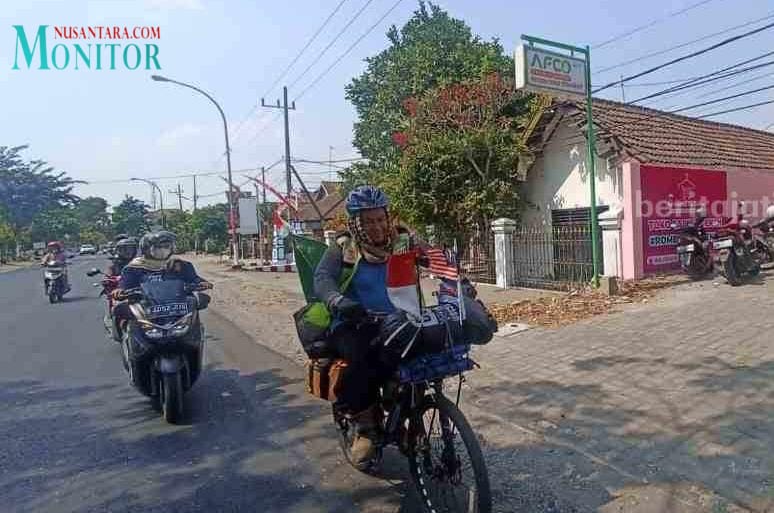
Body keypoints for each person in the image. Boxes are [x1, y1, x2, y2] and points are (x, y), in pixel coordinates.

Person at [313, 185, 425, 466]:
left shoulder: (402, 241)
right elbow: (322, 279)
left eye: (380, 219)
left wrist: (456, 280)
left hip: (398, 320)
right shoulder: (344, 248)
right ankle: (364, 426)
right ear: (356, 223)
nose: (376, 226)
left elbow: (432, 256)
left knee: (424, 355)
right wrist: (336, 300)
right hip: (354, 321)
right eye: (368, 221)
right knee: (361, 358)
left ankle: (410, 414)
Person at [113, 231, 211, 327]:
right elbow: (125, 284)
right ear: (147, 249)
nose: (163, 250)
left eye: (167, 246)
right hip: (147, 309)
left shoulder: (180, 265)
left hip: (178, 308)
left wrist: (202, 283)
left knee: (194, 319)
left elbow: (193, 278)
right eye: (159, 247)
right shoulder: (134, 268)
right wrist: (120, 290)